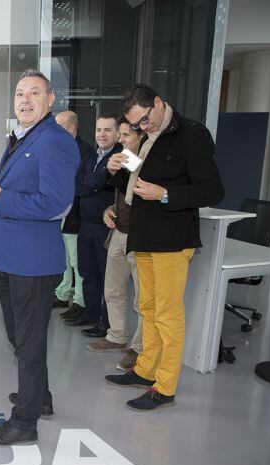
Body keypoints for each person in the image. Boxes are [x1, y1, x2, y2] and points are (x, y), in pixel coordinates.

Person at [0, 70, 78, 445]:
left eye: (34, 93)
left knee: (28, 343)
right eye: (19, 93)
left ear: (51, 100)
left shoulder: (55, 142)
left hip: (31, 260)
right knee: (19, 336)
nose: (25, 99)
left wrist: (0, 200)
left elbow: (56, 203)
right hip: (10, 256)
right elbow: (21, 189)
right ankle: (39, 397)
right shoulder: (24, 137)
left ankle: (24, 423)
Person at [104, 84, 224, 411]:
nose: (142, 127)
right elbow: (125, 183)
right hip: (142, 235)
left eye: (144, 120)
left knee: (168, 315)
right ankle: (145, 370)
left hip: (172, 239)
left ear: (158, 103)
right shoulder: (145, 138)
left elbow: (213, 190)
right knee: (148, 308)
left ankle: (166, 385)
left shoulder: (192, 134)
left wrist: (166, 194)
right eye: (136, 125)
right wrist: (113, 168)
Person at [86, 118, 145, 372]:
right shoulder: (125, 160)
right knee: (112, 290)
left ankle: (139, 349)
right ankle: (117, 336)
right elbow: (122, 196)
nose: (120, 140)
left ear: (140, 136)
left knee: (142, 300)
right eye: (118, 135)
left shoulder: (145, 162)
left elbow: (146, 195)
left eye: (125, 135)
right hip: (119, 233)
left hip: (141, 237)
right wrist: (109, 210)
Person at [65, 114, 122, 338]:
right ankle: (90, 314)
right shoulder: (91, 156)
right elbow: (78, 186)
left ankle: (107, 324)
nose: (101, 134)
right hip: (85, 224)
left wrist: (96, 181)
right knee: (88, 273)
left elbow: (101, 183)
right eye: (99, 130)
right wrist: (99, 180)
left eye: (108, 130)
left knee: (108, 278)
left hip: (107, 227)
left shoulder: (122, 157)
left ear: (118, 133)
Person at [53, 111, 93, 320]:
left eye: (58, 126)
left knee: (77, 262)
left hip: (75, 216)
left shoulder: (84, 151)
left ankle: (80, 300)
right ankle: (62, 293)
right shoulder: (61, 149)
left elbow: (81, 185)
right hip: (60, 214)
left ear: (71, 128)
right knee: (64, 259)